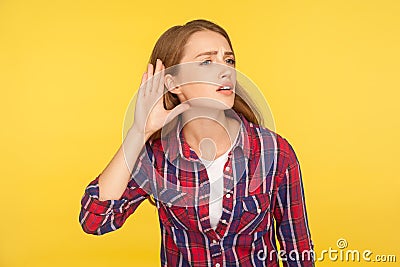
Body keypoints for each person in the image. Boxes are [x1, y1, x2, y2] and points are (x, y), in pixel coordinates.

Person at [78, 19, 315, 267]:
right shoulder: (158, 157)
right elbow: (95, 221)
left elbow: (297, 250)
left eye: (229, 60)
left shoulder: (273, 152)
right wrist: (140, 130)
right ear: (173, 83)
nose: (226, 71)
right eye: (206, 62)